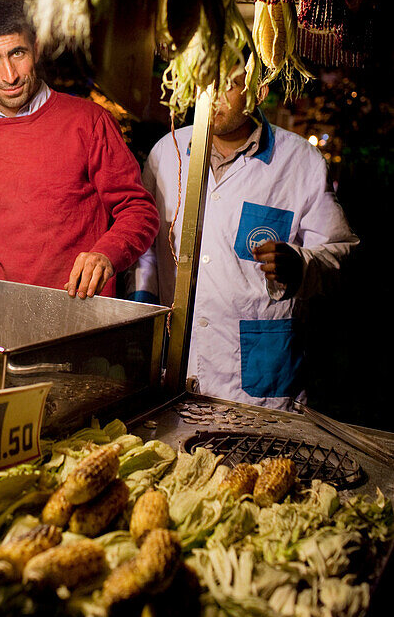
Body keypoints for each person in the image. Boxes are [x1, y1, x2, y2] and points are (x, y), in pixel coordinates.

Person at [129, 65, 360, 409]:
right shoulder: (168, 153)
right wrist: (142, 309)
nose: (213, 95)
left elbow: (341, 254)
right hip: (176, 367)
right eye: (206, 81)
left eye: (229, 84)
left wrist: (301, 264)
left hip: (261, 383)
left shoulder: (300, 163)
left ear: (259, 91)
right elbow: (146, 247)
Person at [0, 0, 159, 298]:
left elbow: (139, 210)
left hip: (70, 311)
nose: (10, 75)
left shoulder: (89, 122)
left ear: (37, 48)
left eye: (17, 53)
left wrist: (106, 254)